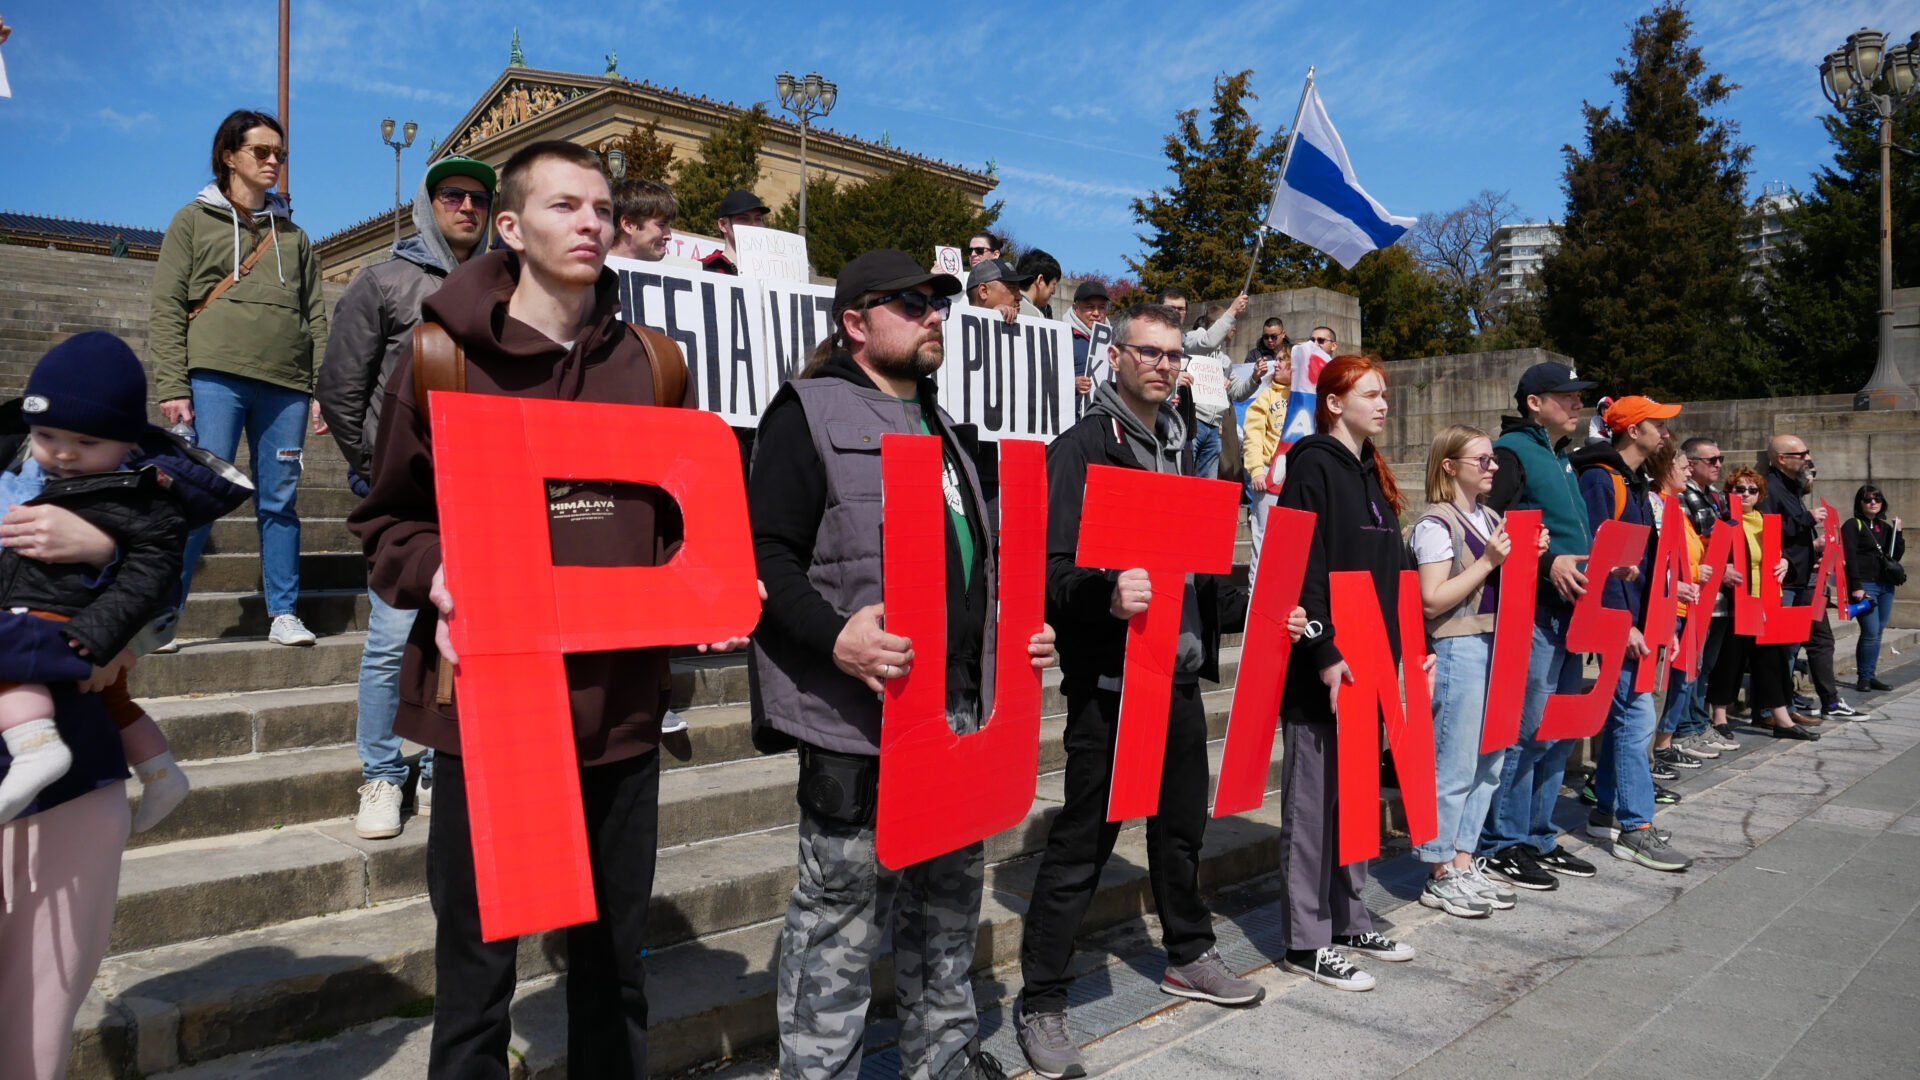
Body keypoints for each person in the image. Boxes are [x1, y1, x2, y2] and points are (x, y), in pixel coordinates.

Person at [349, 139, 729, 1080]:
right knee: (476, 974)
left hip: (621, 709)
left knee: (613, 966)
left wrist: (710, 580)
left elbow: (687, 515)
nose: (592, 223)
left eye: (602, 207)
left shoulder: (656, 364)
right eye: (566, 206)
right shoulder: (440, 355)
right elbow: (387, 523)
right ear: (510, 228)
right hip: (489, 710)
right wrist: (440, 573)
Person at [749, 249, 1056, 1080]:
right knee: (839, 928)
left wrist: (1018, 633)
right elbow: (763, 556)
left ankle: (944, 1062)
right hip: (855, 720)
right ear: (855, 322)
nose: (933, 316)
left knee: (949, 912)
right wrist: (834, 635)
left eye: (939, 304)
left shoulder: (947, 428)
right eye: (910, 303)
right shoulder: (805, 413)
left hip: (956, 714)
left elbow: (975, 568)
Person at [1017, 304, 1287, 1078]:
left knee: (1179, 831)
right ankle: (1042, 1000)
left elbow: (1197, 571)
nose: (1164, 366)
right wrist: (1103, 593)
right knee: (1083, 845)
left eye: (1174, 356)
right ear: (1114, 358)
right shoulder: (1081, 448)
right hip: (1109, 681)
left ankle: (1188, 954)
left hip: (1174, 676)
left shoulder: (1180, 447)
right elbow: (1048, 571)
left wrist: (1255, 604)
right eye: (1149, 353)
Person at [1, 335, 251, 1080]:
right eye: (49, 436)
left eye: (85, 439)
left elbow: (151, 613)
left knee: (42, 1004)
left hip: (74, 779)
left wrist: (99, 555)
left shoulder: (141, 495)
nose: (63, 454)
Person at [317, 155, 497, 840]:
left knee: (466, 640)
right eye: (452, 195)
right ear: (430, 203)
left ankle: (438, 764)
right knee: (392, 640)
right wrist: (375, 468)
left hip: (480, 495)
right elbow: (341, 387)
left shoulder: (504, 284)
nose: (467, 207)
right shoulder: (384, 280)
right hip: (409, 496)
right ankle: (381, 773)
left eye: (479, 198)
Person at [150, 109, 328, 650]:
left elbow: (316, 315)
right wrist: (172, 385)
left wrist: (319, 387)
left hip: (287, 386)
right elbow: (166, 306)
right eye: (261, 152)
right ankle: (165, 613)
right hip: (215, 378)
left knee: (280, 500)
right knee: (199, 495)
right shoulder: (191, 220)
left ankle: (284, 612)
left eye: (280, 154)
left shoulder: (294, 237)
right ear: (230, 156)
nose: (274, 162)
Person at [1273, 353, 1419, 990]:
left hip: (1375, 665)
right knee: (1313, 809)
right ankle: (1307, 939)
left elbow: (1395, 574)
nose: (1382, 404)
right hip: (1323, 670)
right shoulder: (1313, 466)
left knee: (1357, 800)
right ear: (1334, 402)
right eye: (1369, 394)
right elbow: (1301, 566)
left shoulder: (1371, 475)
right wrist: (1324, 650)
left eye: (1384, 394)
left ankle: (1348, 915)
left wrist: (1413, 646)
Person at [1477, 361, 1599, 891]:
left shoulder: (1560, 455)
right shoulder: (1512, 452)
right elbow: (1486, 522)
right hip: (1535, 612)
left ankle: (1538, 836)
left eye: (1578, 397)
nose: (1577, 404)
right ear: (1534, 402)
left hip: (1573, 612)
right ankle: (1504, 843)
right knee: (1526, 733)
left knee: (1556, 733)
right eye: (1565, 396)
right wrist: (1549, 564)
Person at [1413, 424, 1540, 918]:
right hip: (1460, 645)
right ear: (1450, 467)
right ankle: (1439, 870)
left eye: (1493, 461)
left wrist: (1529, 552)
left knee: (1489, 762)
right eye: (1482, 461)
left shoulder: (1489, 516)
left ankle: (1463, 861)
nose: (1493, 468)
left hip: (1497, 643)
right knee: (1457, 763)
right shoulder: (1435, 523)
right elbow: (1432, 600)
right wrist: (1490, 560)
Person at [1569, 396, 1692, 872]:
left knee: (1630, 718)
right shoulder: (1603, 479)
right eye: (1657, 425)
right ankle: (1637, 828)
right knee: (1635, 721)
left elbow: (1643, 565)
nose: (1664, 434)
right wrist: (1623, 626)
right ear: (1633, 430)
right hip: (1620, 625)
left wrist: (1661, 616)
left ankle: (1605, 814)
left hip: (1638, 623)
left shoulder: (1632, 481)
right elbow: (1604, 560)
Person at [1758, 436, 1864, 722]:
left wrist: (1813, 548)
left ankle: (1794, 704)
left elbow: (1792, 534)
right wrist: (1806, 520)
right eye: (1802, 453)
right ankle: (1774, 708)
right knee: (1785, 646)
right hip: (1787, 582)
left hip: (1805, 580)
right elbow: (1765, 528)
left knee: (1816, 639)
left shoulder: (1791, 487)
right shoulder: (1769, 488)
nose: (1807, 457)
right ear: (1781, 458)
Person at [1706, 468, 1814, 740]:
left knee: (1771, 661)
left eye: (1752, 490)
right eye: (1739, 489)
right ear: (1730, 493)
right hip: (1735, 603)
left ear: (1759, 495)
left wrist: (1785, 562)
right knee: (1730, 661)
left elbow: (1780, 555)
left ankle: (1782, 720)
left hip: (1765, 602)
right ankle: (1719, 717)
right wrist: (1722, 570)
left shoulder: (1767, 522)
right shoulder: (1724, 521)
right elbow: (1709, 558)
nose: (1746, 494)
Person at [1647, 445, 1721, 773]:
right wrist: (1683, 579)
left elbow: (1687, 554)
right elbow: (1656, 561)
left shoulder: (1675, 507)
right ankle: (1648, 755)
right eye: (1683, 466)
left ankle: (1661, 746)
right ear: (1665, 468)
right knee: (1658, 687)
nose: (1689, 472)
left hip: (1684, 605)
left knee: (1679, 680)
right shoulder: (1654, 504)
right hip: (1665, 607)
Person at [1677, 438, 1742, 750]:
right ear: (1690, 464)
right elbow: (1688, 545)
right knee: (1694, 663)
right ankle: (1686, 728)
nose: (1718, 464)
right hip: (1698, 593)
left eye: (1720, 458)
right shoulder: (1682, 496)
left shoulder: (1716, 496)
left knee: (1707, 665)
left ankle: (1699, 723)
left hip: (1720, 597)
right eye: (1711, 459)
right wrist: (1718, 569)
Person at [1842, 484, 1903, 694]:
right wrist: (1856, 586)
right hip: (1865, 585)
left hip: (1885, 585)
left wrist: (1898, 533)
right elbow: (1848, 557)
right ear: (1860, 503)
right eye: (1868, 499)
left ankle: (1870, 674)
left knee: (1878, 632)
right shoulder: (1852, 525)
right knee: (1869, 631)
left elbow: (1894, 556)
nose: (1873, 503)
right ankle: (1863, 678)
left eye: (1877, 499)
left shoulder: (1884, 528)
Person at [1239, 354, 1291, 586]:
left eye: (1283, 360)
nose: (1276, 364)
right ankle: (1255, 593)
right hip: (1269, 474)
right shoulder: (1266, 396)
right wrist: (1256, 470)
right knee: (1263, 537)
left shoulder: (1310, 398)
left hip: (1299, 475)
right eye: (1276, 359)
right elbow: (1253, 436)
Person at [699, 189, 767, 275]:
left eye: (758, 219)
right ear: (723, 225)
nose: (754, 225)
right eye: (743, 219)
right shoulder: (702, 269)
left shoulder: (773, 271)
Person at [608, 178, 676, 262]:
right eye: (661, 225)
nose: (668, 236)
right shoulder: (591, 271)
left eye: (669, 226)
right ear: (628, 225)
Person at [1067, 280, 1109, 405]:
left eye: (1101, 307)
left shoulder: (1114, 341)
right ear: (1075, 308)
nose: (1096, 313)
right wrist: (1072, 385)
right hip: (1072, 420)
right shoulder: (1062, 337)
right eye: (1090, 307)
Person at [965, 258, 1029, 323]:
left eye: (1018, 290)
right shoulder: (955, 327)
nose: (1020, 298)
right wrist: (992, 317)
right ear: (983, 291)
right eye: (1012, 288)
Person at [1016, 248, 1061, 319]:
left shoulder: (1000, 305)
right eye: (1053, 284)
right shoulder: (1035, 315)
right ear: (1040, 280)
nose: (1053, 292)